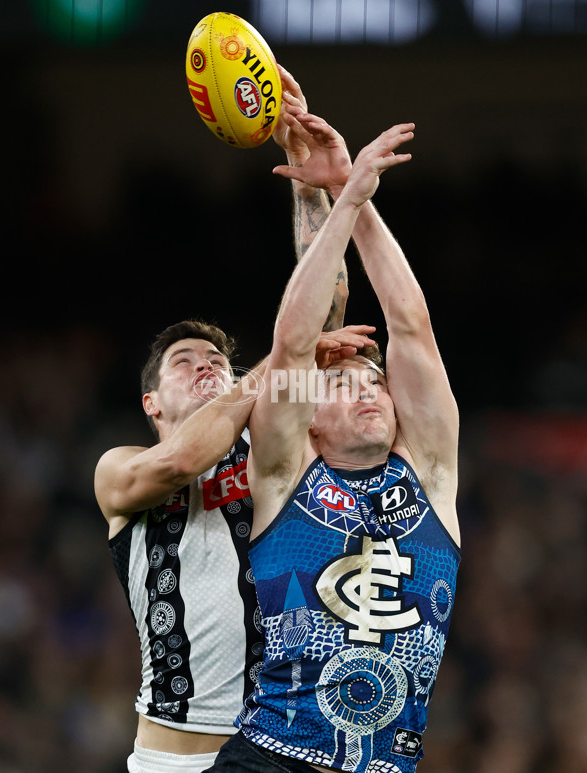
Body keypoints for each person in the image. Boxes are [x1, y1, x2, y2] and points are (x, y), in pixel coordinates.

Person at [94, 69, 376, 773]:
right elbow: (181, 463)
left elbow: (323, 315)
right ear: (151, 403)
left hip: (273, 752)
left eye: (217, 358)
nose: (207, 365)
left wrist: (308, 178)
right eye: (185, 361)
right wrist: (275, 363)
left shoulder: (266, 438)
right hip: (171, 758)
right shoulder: (121, 468)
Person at [204, 109, 461, 772]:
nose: (368, 390)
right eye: (343, 386)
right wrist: (344, 197)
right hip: (271, 759)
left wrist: (357, 191)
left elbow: (412, 327)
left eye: (373, 382)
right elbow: (291, 344)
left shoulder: (431, 472)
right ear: (308, 417)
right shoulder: (287, 471)